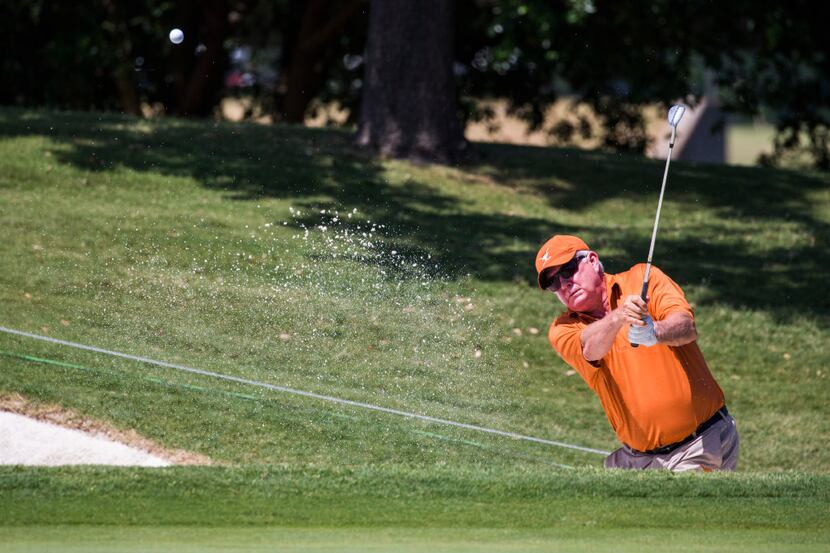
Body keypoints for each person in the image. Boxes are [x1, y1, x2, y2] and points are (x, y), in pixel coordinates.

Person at [535, 234, 739, 471]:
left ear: (591, 260)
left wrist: (655, 331)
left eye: (568, 270)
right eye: (553, 283)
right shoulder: (563, 328)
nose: (564, 284)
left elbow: (686, 327)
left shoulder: (644, 277)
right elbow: (589, 349)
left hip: (700, 442)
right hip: (639, 459)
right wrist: (619, 316)